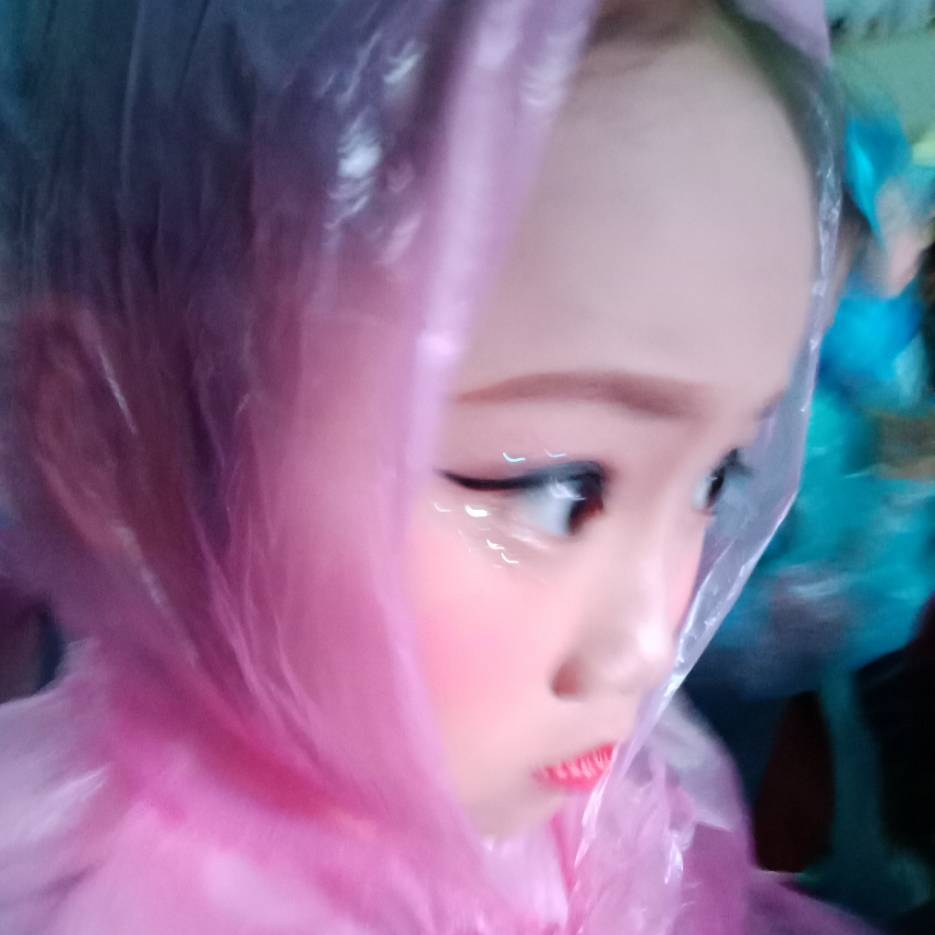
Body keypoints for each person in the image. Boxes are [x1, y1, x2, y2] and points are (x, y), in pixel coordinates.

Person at [0, 0, 870, 931]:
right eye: (556, 488)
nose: (648, 646)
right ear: (104, 433)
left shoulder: (597, 814)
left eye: (715, 476)